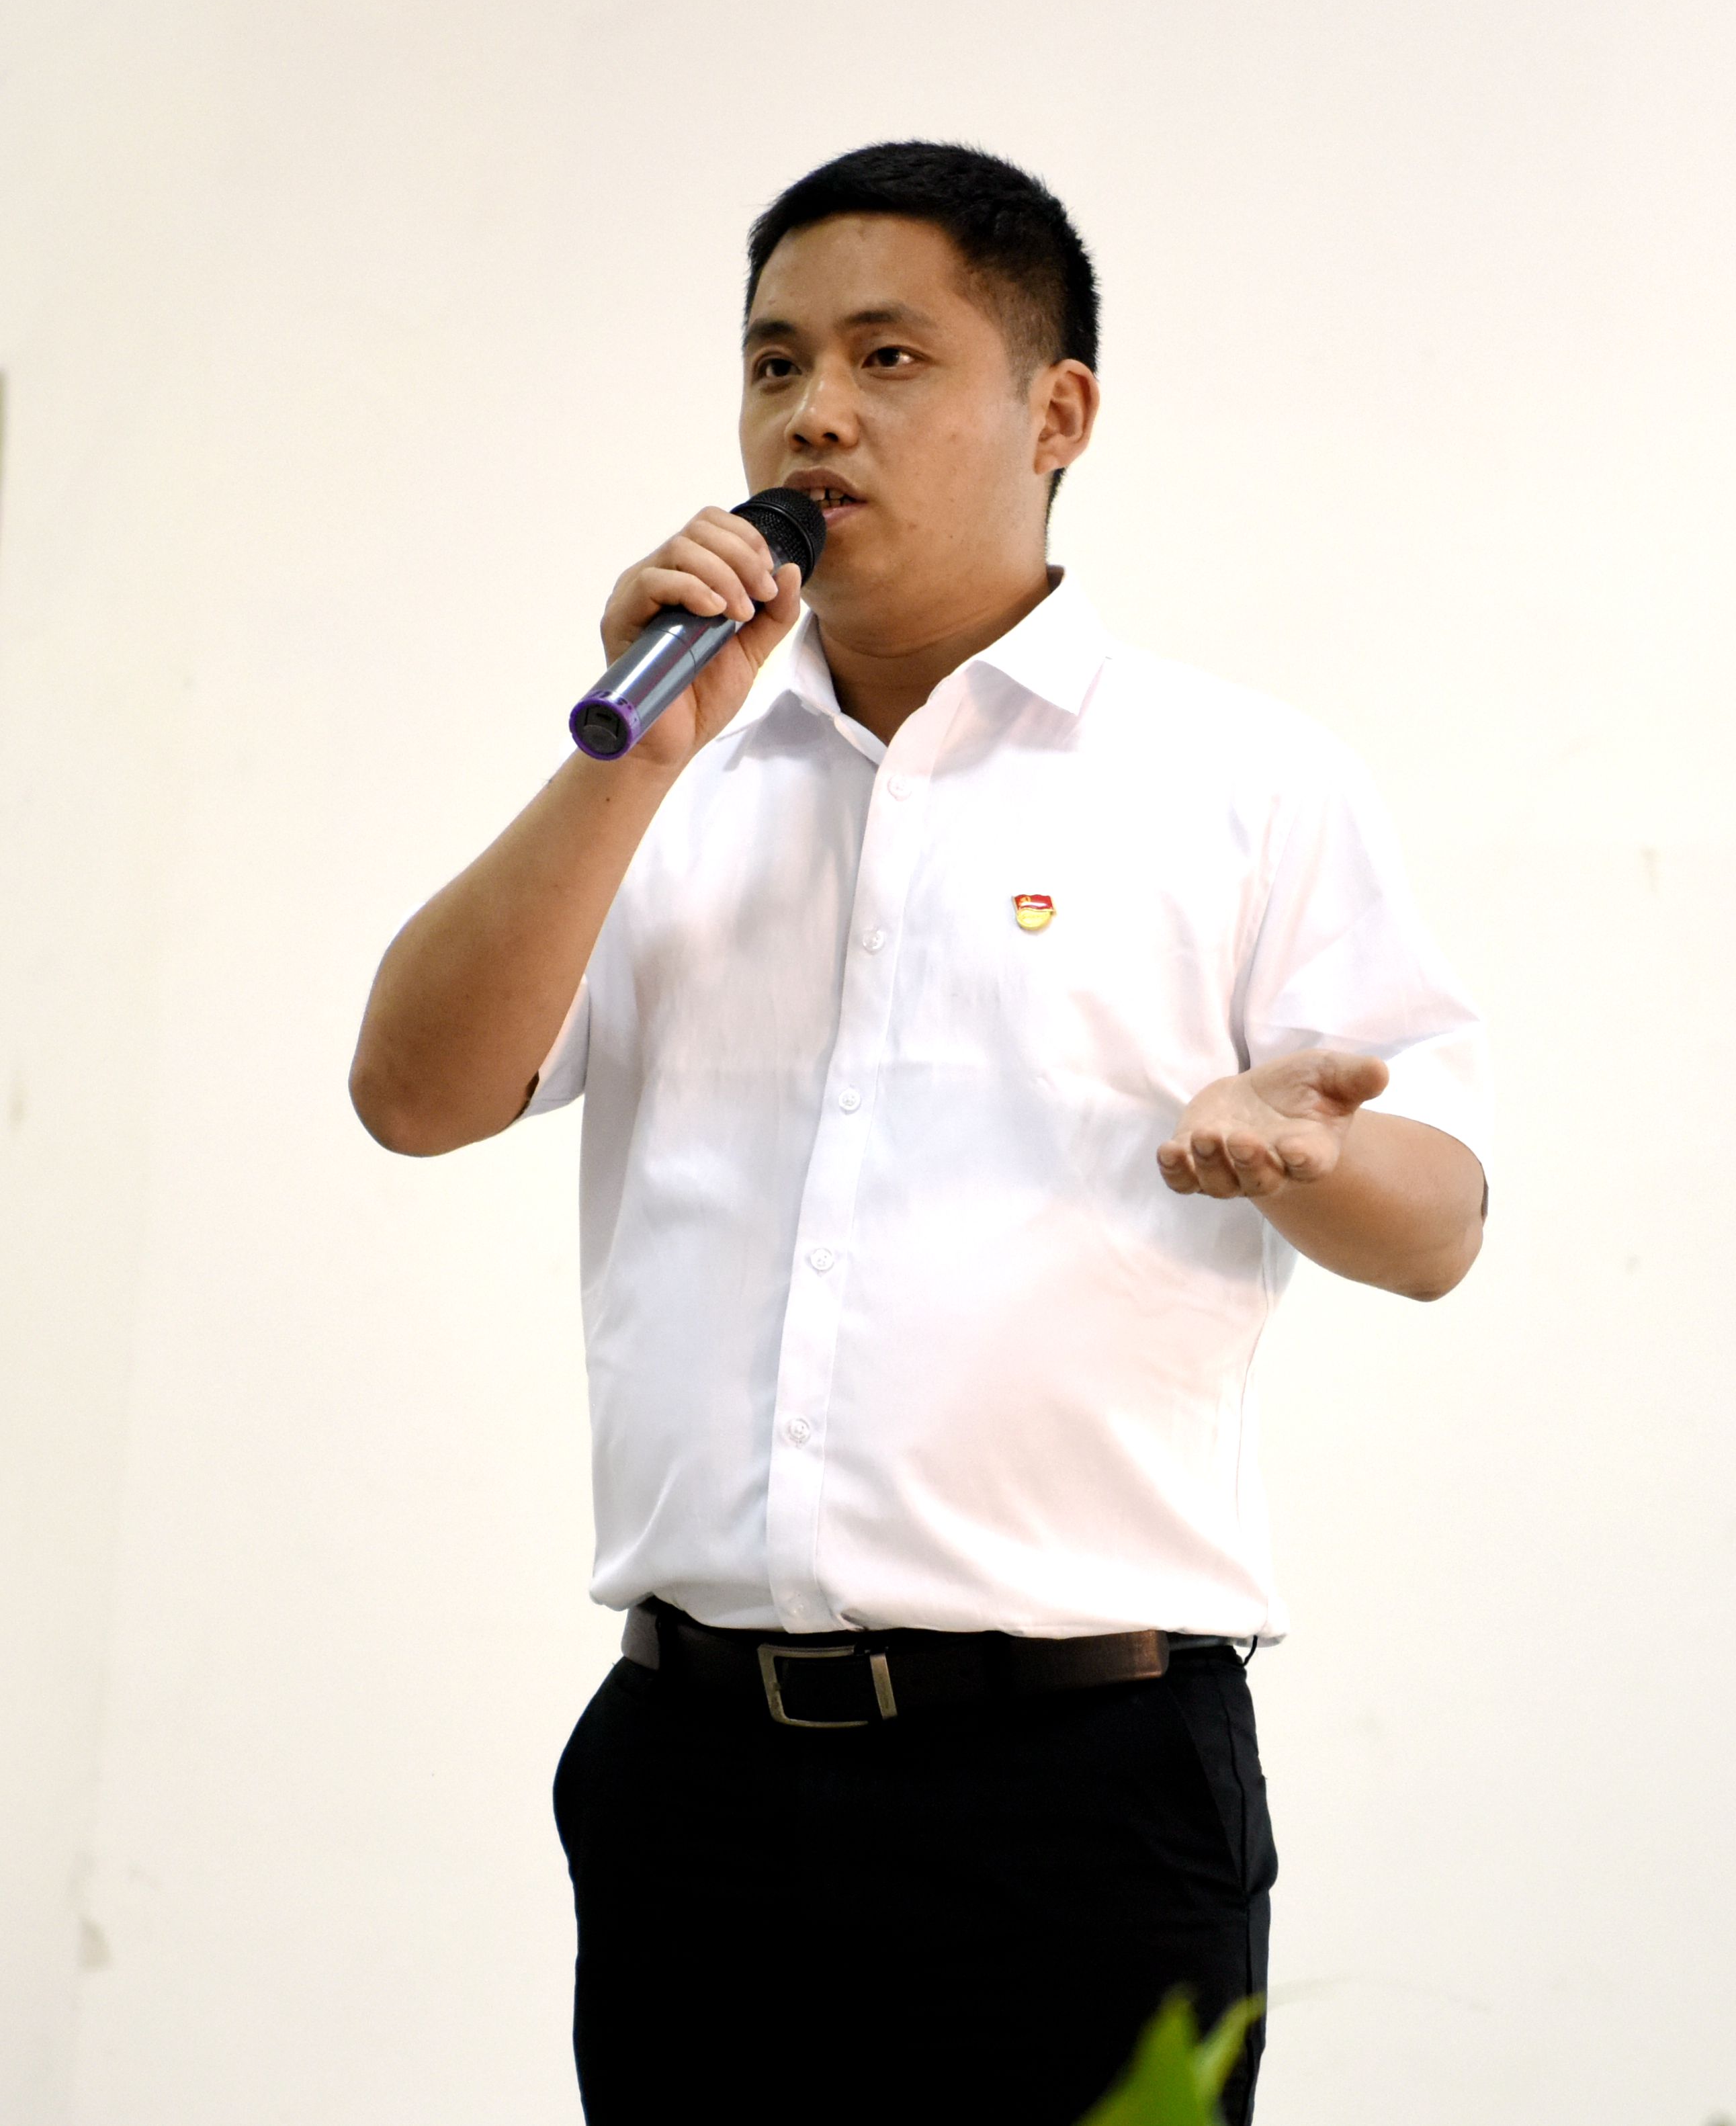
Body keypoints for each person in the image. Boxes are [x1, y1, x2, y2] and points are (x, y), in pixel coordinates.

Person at [349, 141, 1489, 2125]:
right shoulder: (667, 777)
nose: (815, 412)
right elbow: (413, 1094)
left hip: (1086, 1798)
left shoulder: (1242, 782)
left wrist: (1313, 1155)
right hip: (692, 1780)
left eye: (890, 357)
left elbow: (1444, 1219)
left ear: (1059, 413)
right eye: (775, 361)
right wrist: (626, 762)